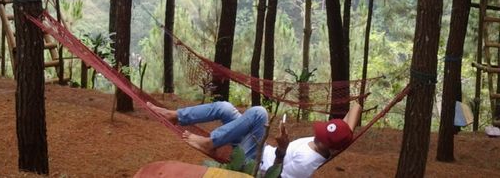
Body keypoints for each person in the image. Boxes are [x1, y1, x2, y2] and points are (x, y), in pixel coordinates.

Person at [147, 101, 361, 178]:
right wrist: (358, 104)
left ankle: (211, 142)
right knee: (224, 108)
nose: (317, 134)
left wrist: (282, 150)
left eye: (322, 136)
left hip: (255, 163)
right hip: (261, 147)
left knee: (259, 113)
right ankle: (176, 116)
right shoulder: (334, 141)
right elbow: (354, 112)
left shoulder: (305, 165)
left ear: (327, 145)